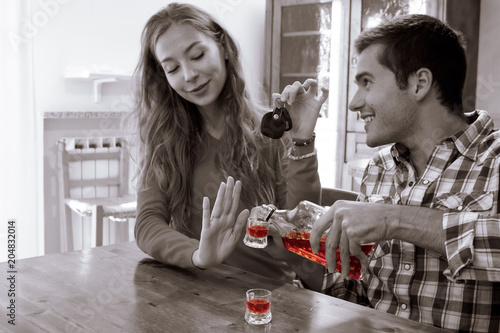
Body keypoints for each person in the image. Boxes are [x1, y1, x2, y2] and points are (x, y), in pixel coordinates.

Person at [306, 14, 500, 333]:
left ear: (418, 83)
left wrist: (393, 219)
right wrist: (298, 260)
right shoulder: (378, 169)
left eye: (366, 82)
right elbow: (354, 288)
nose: (354, 103)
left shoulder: (494, 159)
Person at [129, 2, 328, 284]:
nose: (189, 75)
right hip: (196, 293)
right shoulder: (164, 140)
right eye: (172, 69)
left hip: (265, 296)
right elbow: (147, 224)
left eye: (197, 55)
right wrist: (198, 255)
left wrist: (303, 139)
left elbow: (300, 231)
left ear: (222, 46)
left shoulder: (271, 132)